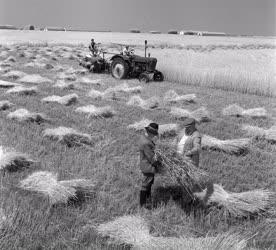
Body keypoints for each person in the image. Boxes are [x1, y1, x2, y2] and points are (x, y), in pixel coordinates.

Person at [138, 123, 161, 209]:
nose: (154, 136)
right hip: (148, 166)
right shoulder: (146, 143)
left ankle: (148, 201)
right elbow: (151, 158)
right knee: (146, 184)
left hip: (145, 164)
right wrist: (159, 164)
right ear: (150, 132)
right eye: (154, 134)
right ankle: (143, 205)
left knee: (149, 183)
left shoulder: (143, 137)